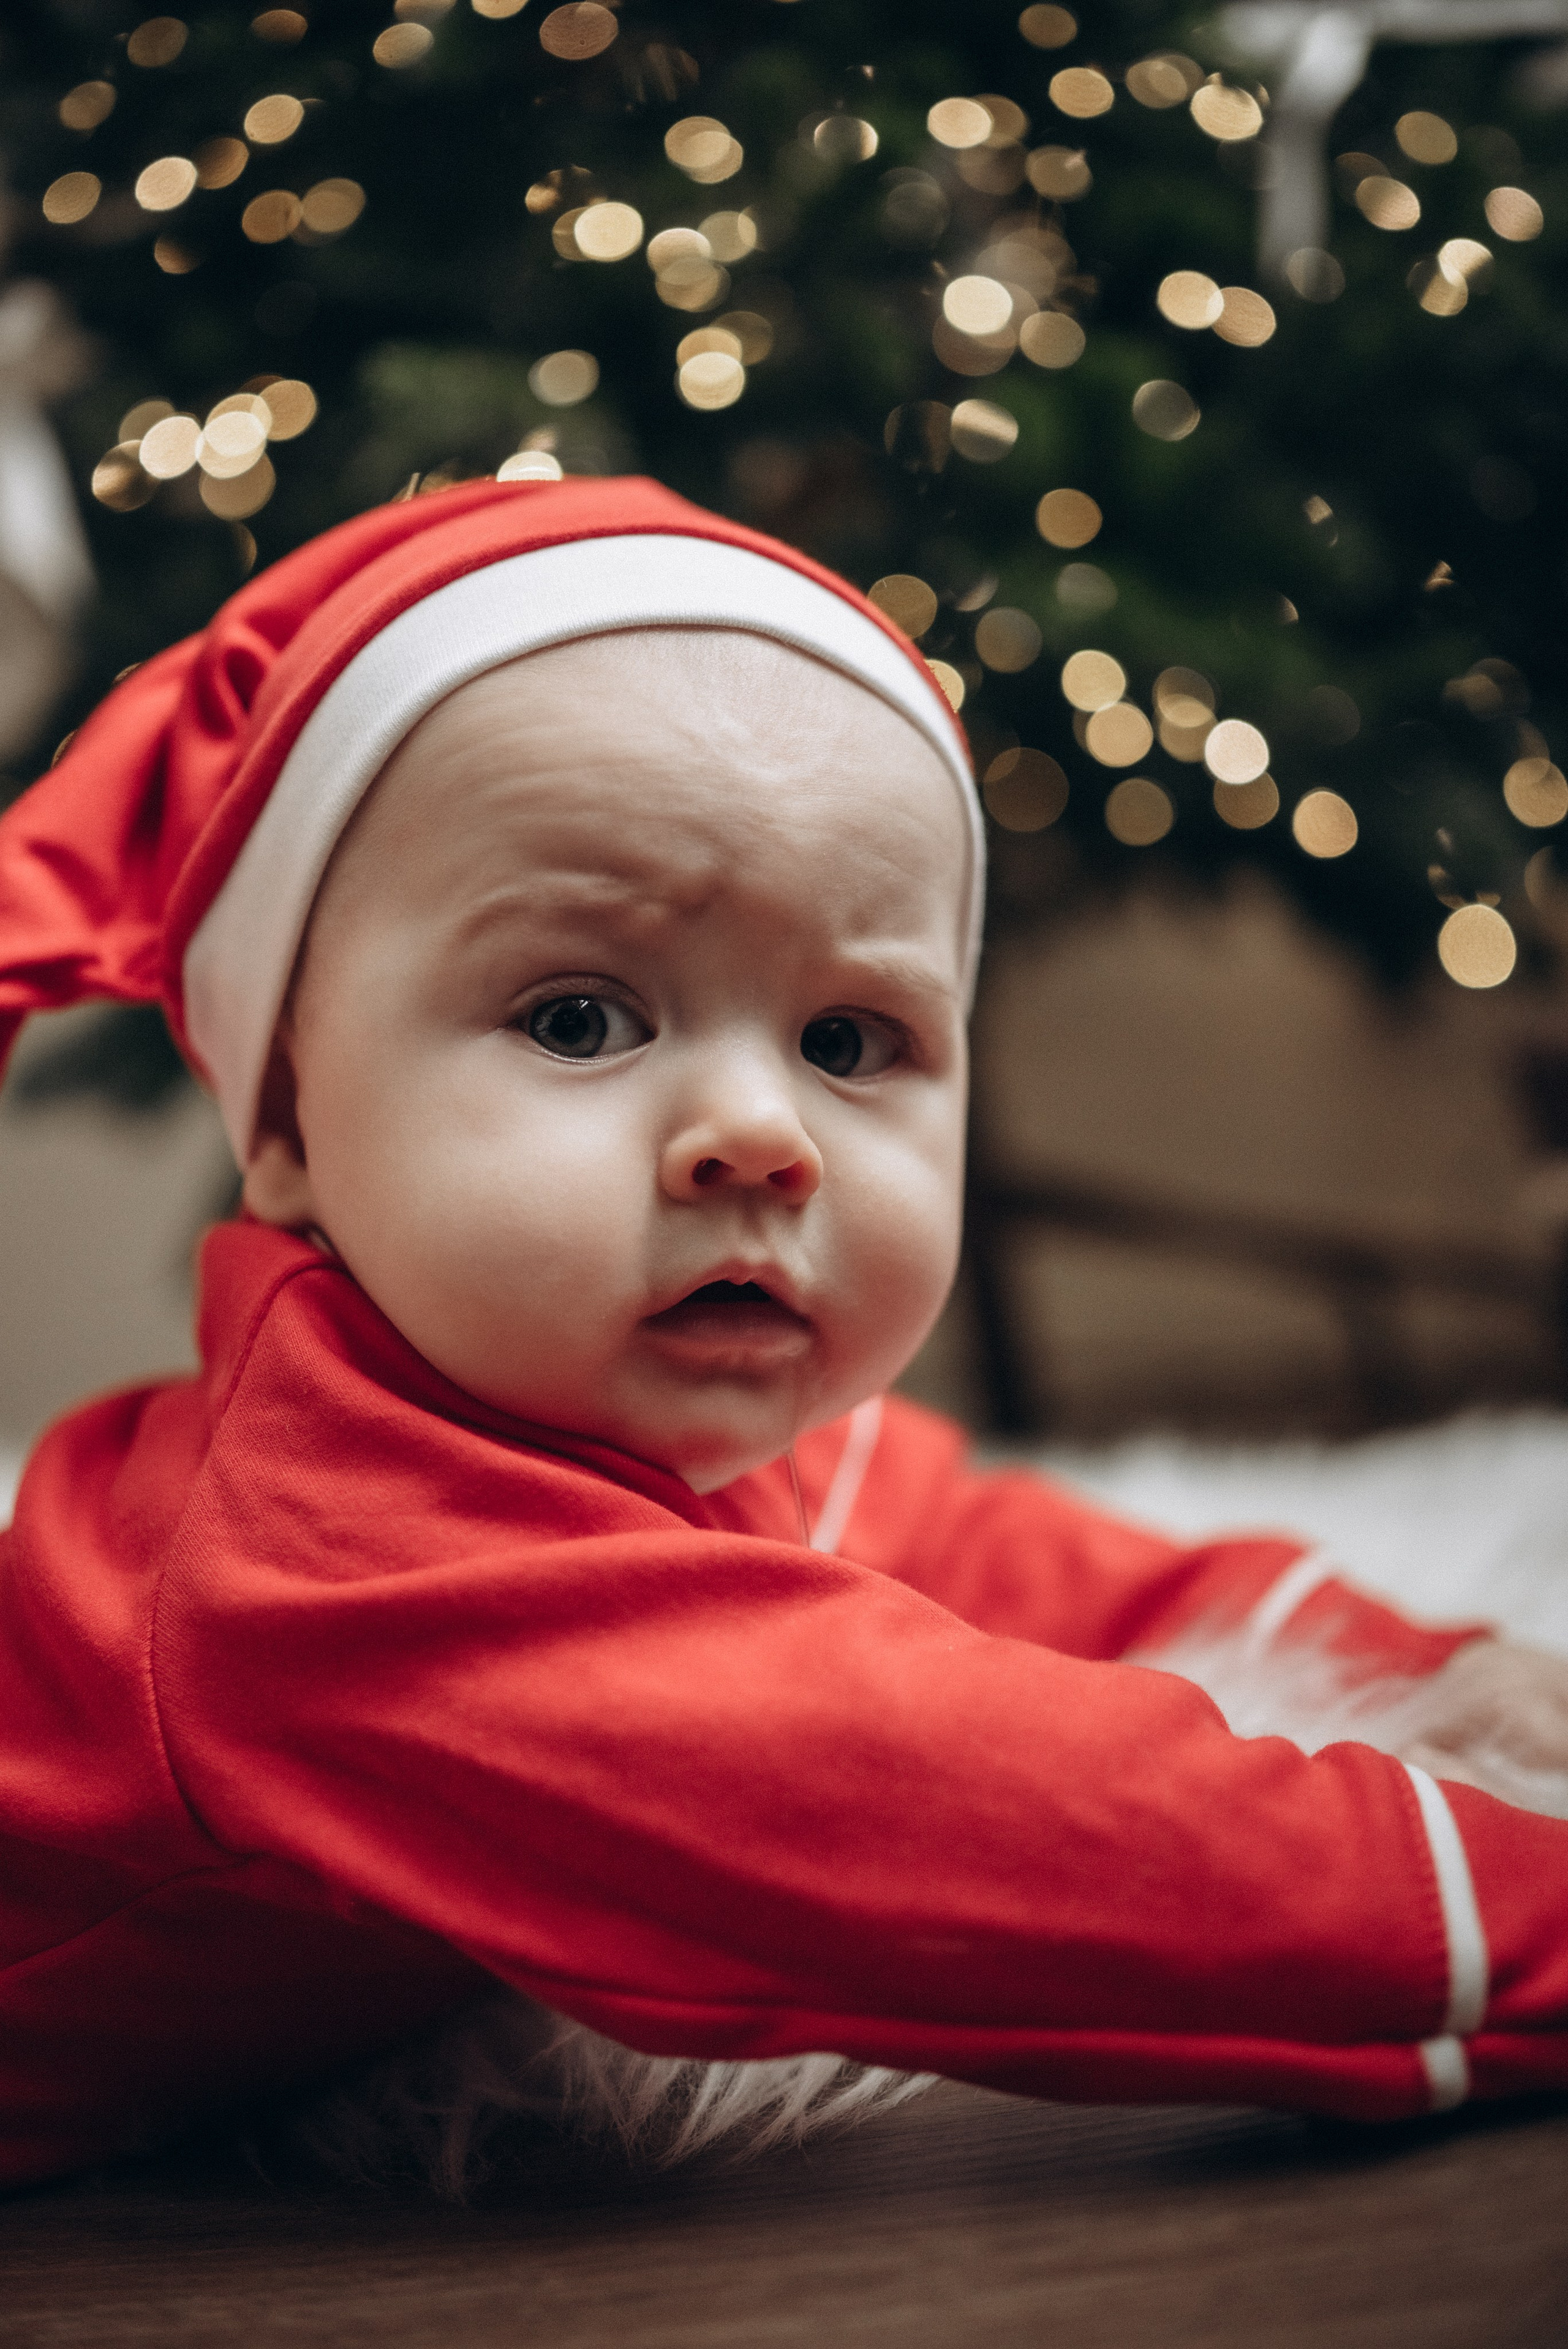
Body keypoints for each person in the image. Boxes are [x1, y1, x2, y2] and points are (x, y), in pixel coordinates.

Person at [2, 475, 1568, 2195]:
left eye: (848, 1039)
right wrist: (1514, 1901)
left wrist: (1429, 1670)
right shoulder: (328, 1572)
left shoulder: (677, 1408)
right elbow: (1010, 1828)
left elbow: (1019, 1558)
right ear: (291, 1121)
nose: (760, 1133)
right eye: (579, 1018)